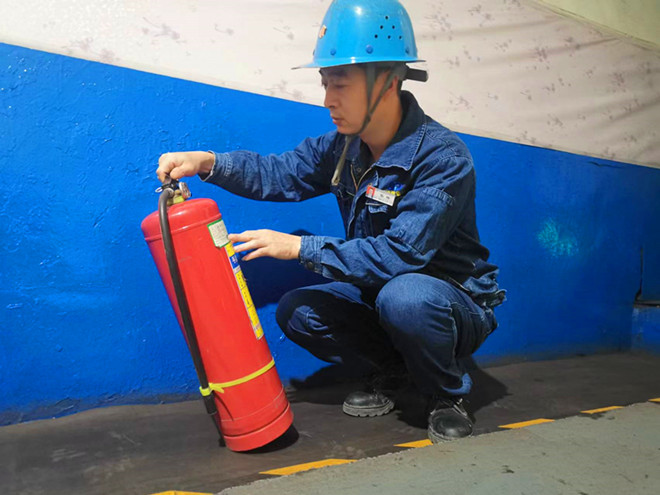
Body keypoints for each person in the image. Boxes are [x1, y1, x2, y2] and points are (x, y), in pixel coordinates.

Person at [156, 0, 504, 443]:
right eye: (325, 83)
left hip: (448, 301)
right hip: (384, 291)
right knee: (298, 311)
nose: (327, 100)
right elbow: (279, 173)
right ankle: (397, 369)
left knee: (406, 297)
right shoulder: (343, 147)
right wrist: (208, 162)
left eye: (340, 84)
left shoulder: (441, 157)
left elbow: (401, 254)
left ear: (389, 81)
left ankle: (445, 392)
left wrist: (299, 247)